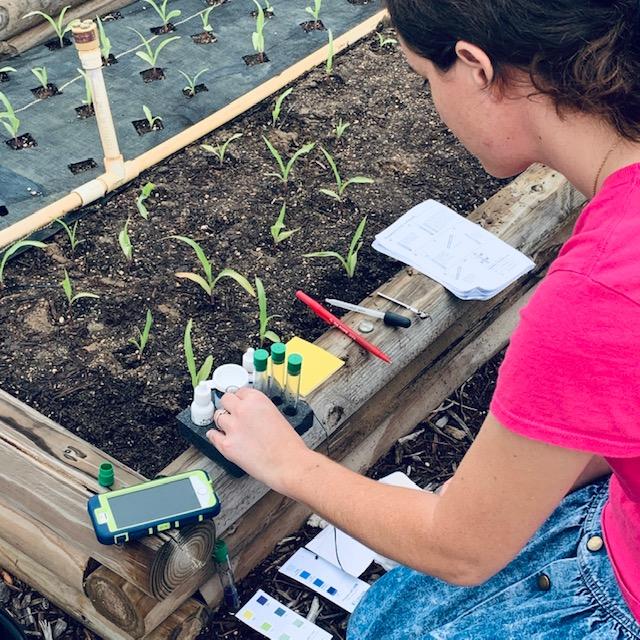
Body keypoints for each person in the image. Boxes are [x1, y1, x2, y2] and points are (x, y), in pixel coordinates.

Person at [208, 0, 640, 637]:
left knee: (386, 622)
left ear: (473, 67)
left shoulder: (599, 291)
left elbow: (462, 550)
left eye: (424, 77)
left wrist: (286, 464)